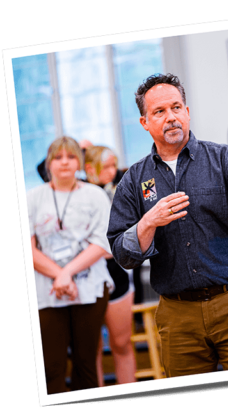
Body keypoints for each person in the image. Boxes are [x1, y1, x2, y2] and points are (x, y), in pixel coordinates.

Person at [107, 73, 228, 377]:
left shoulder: (225, 158)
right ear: (145, 122)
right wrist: (148, 222)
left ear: (187, 112)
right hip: (178, 315)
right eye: (159, 111)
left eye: (176, 107)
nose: (171, 117)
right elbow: (122, 253)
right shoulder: (132, 180)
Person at [30, 136, 114, 393]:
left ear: (79, 161)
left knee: (86, 364)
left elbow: (103, 243)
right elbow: (26, 247)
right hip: (47, 291)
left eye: (70, 156)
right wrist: (60, 276)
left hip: (89, 289)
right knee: (51, 366)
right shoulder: (33, 197)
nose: (64, 162)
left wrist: (67, 272)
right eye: (57, 157)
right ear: (48, 164)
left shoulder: (95, 195)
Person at [83, 145, 136, 385]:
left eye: (113, 165)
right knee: (90, 349)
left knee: (122, 343)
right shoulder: (78, 192)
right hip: (87, 275)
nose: (111, 171)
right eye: (105, 167)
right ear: (89, 168)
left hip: (118, 274)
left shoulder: (119, 188)